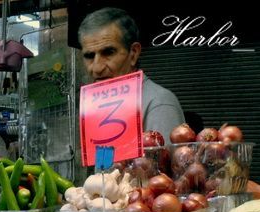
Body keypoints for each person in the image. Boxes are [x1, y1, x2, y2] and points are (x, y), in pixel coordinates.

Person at [78, 8, 185, 142]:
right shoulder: (99, 107)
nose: (97, 68)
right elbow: (103, 162)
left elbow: (162, 161)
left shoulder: (159, 103)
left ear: (133, 53)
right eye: (89, 56)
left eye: (109, 52)